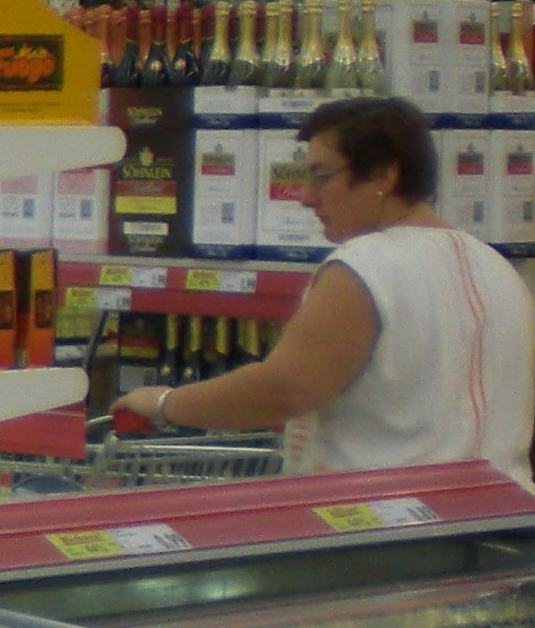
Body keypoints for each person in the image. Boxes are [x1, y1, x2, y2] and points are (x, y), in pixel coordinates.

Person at [112, 95, 534, 487]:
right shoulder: (498, 269)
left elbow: (284, 390)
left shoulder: (366, 265)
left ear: (384, 175)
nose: (306, 197)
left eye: (322, 177)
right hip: (502, 514)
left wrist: (165, 403)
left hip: (391, 522)